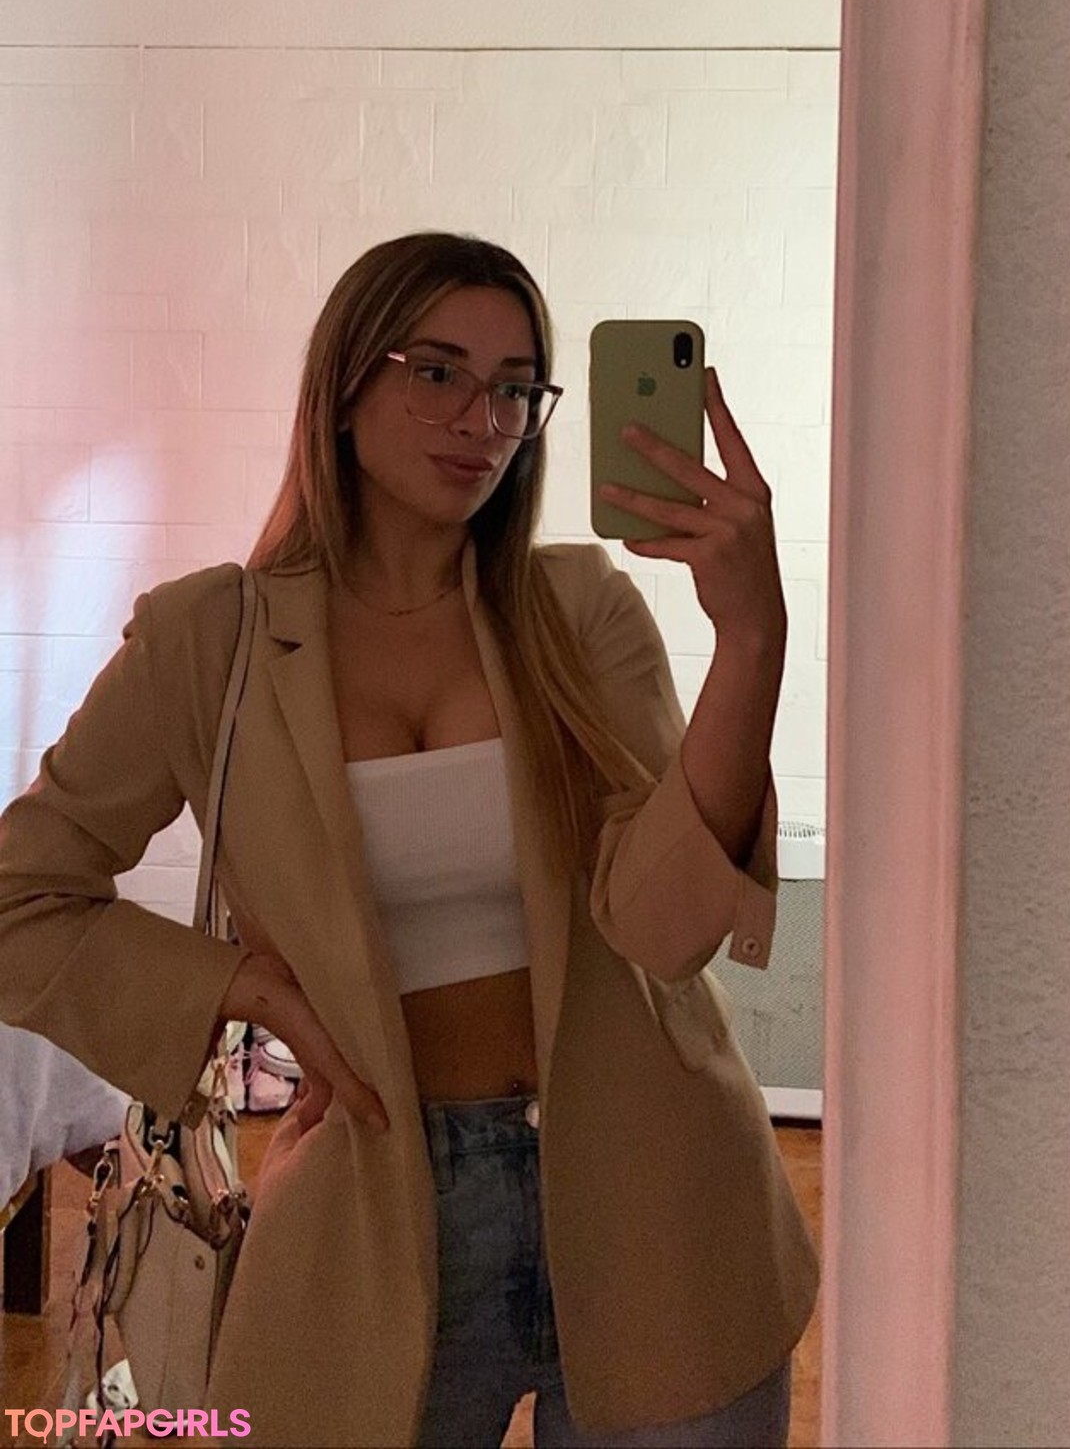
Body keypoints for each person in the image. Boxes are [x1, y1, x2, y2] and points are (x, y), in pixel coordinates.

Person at [0, 232, 819, 1448]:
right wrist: (246, 987)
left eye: (514, 388)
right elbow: (23, 895)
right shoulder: (211, 642)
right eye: (436, 372)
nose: (481, 420)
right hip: (375, 1208)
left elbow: (666, 930)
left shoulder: (578, 612)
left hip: (657, 1186)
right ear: (343, 385)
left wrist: (751, 640)